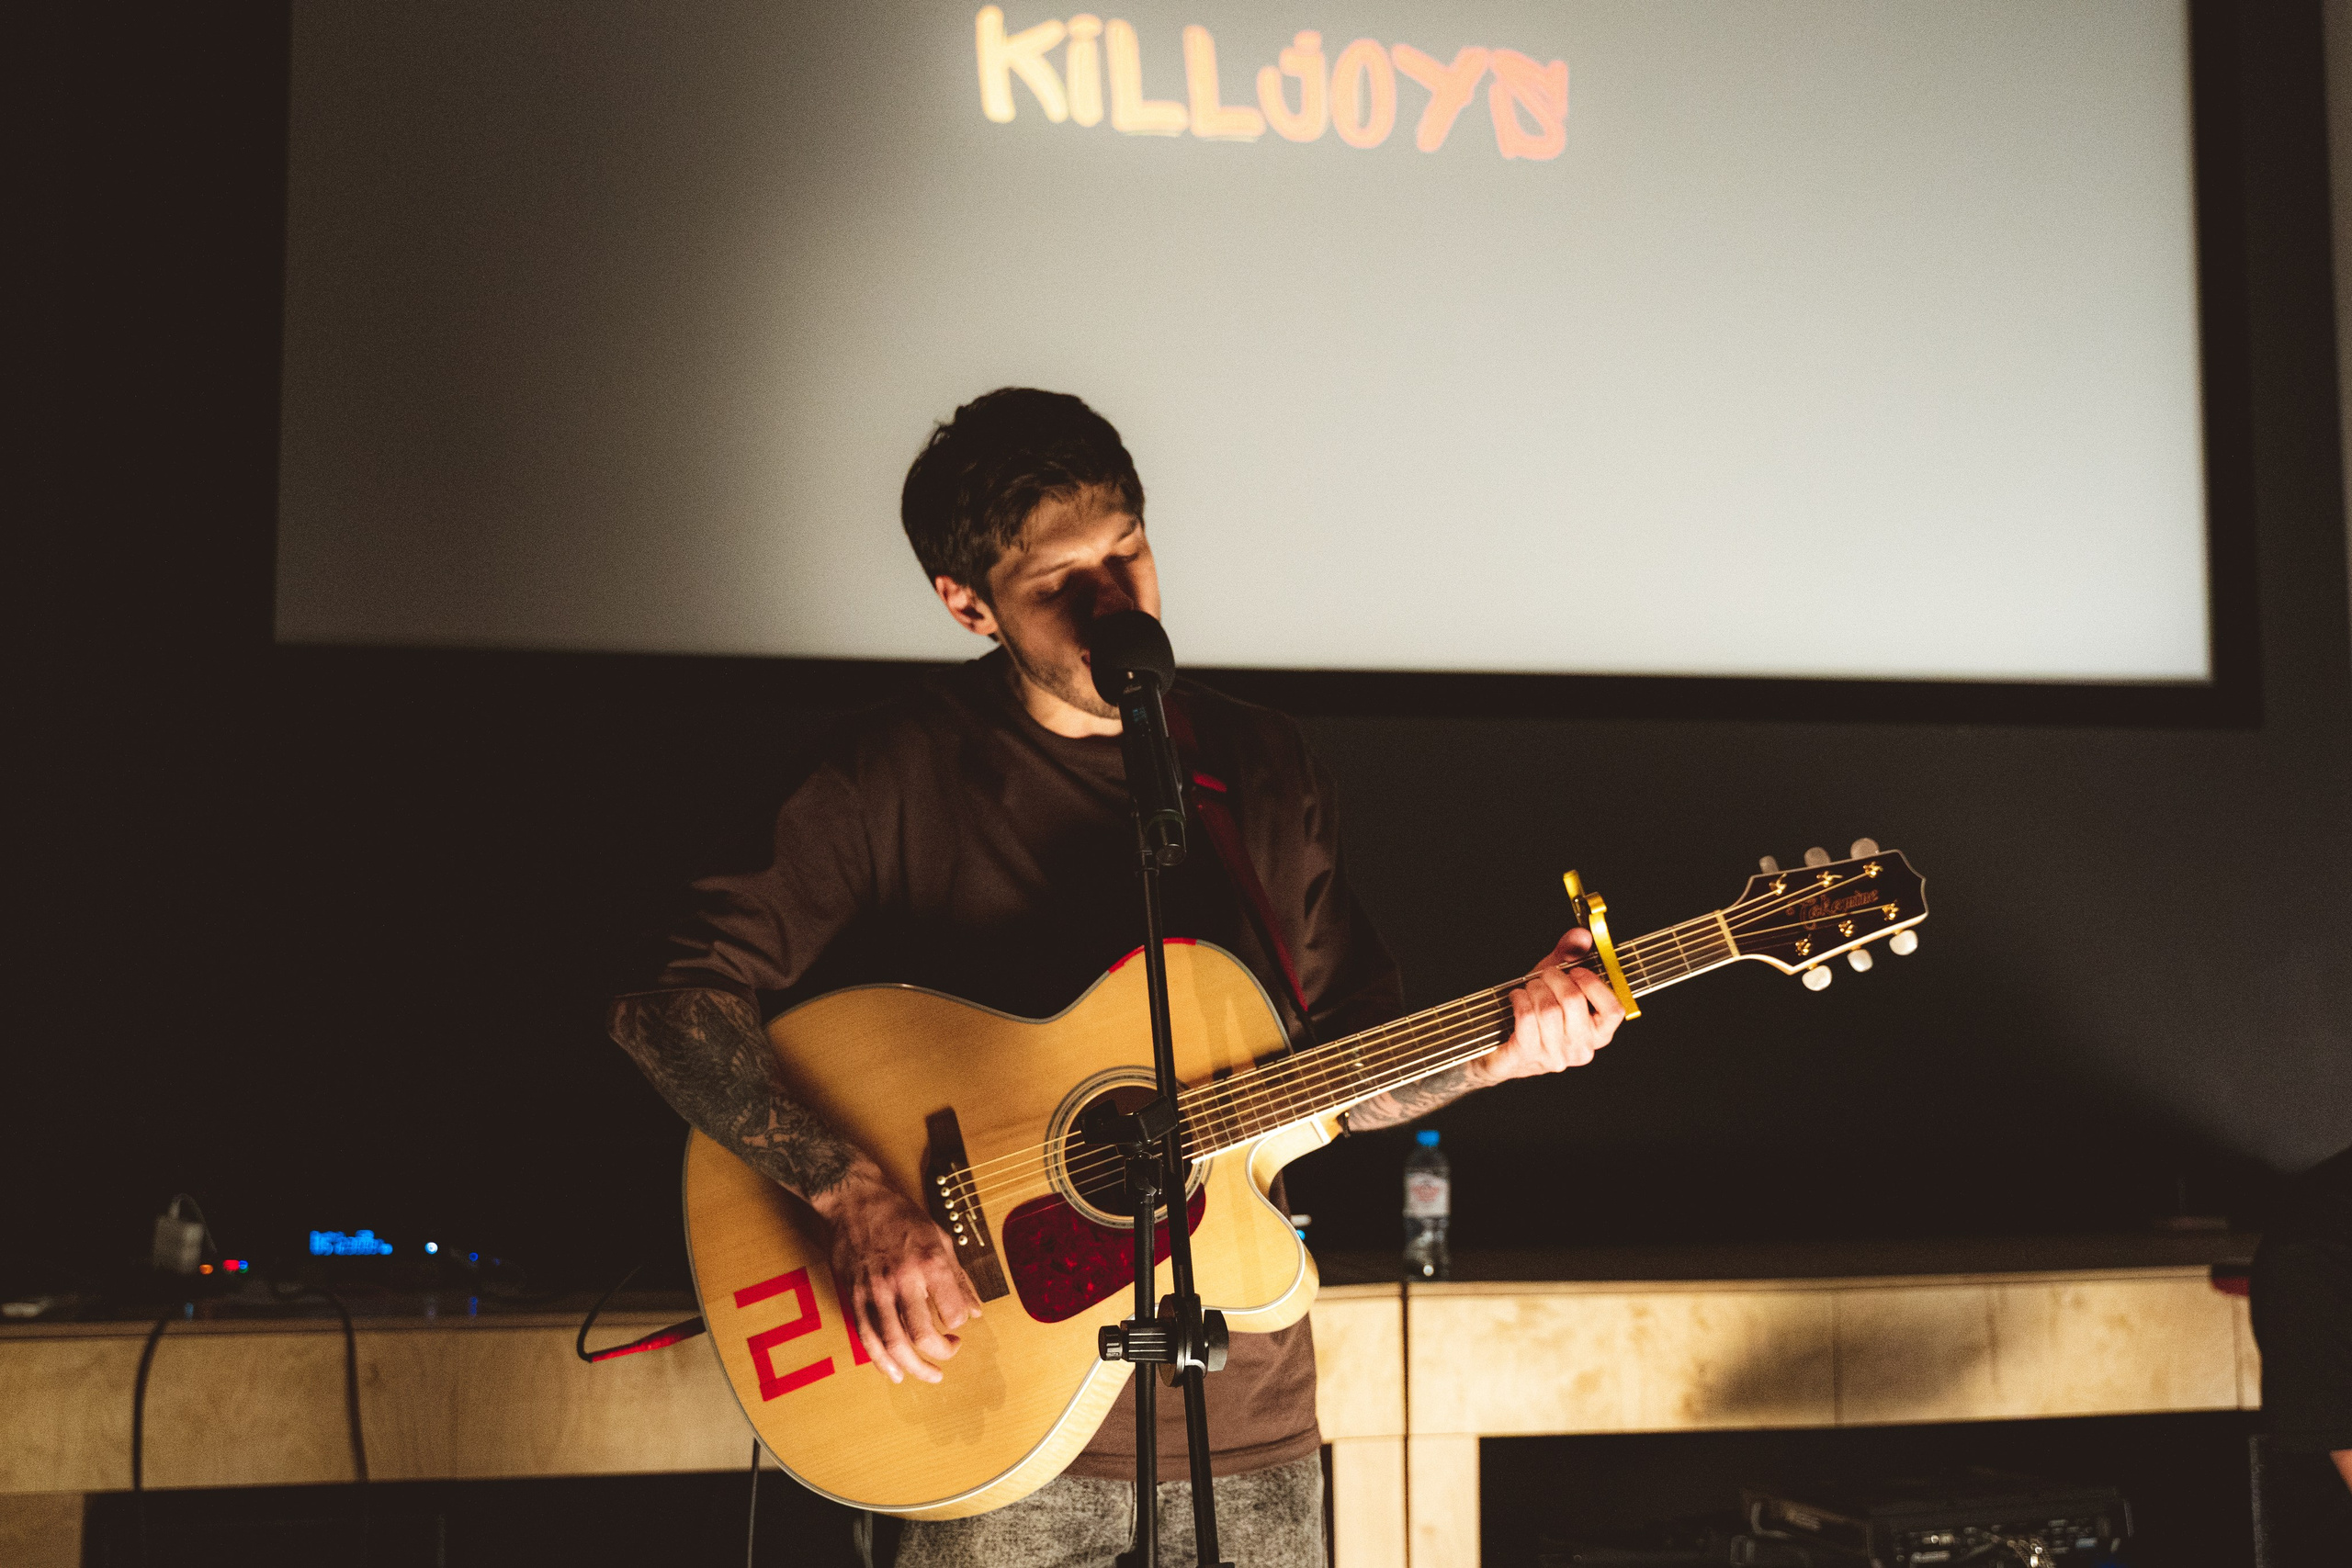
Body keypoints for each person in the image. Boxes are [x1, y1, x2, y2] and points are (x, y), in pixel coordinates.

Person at [605, 388, 1624, 1567]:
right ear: (967, 604)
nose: (1115, 606)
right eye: (1057, 583)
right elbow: (668, 1007)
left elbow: (1344, 1069)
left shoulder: (1260, 763)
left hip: (1245, 1411)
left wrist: (1500, 1045)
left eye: (1127, 551)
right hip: (981, 1408)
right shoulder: (884, 775)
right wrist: (854, 1199)